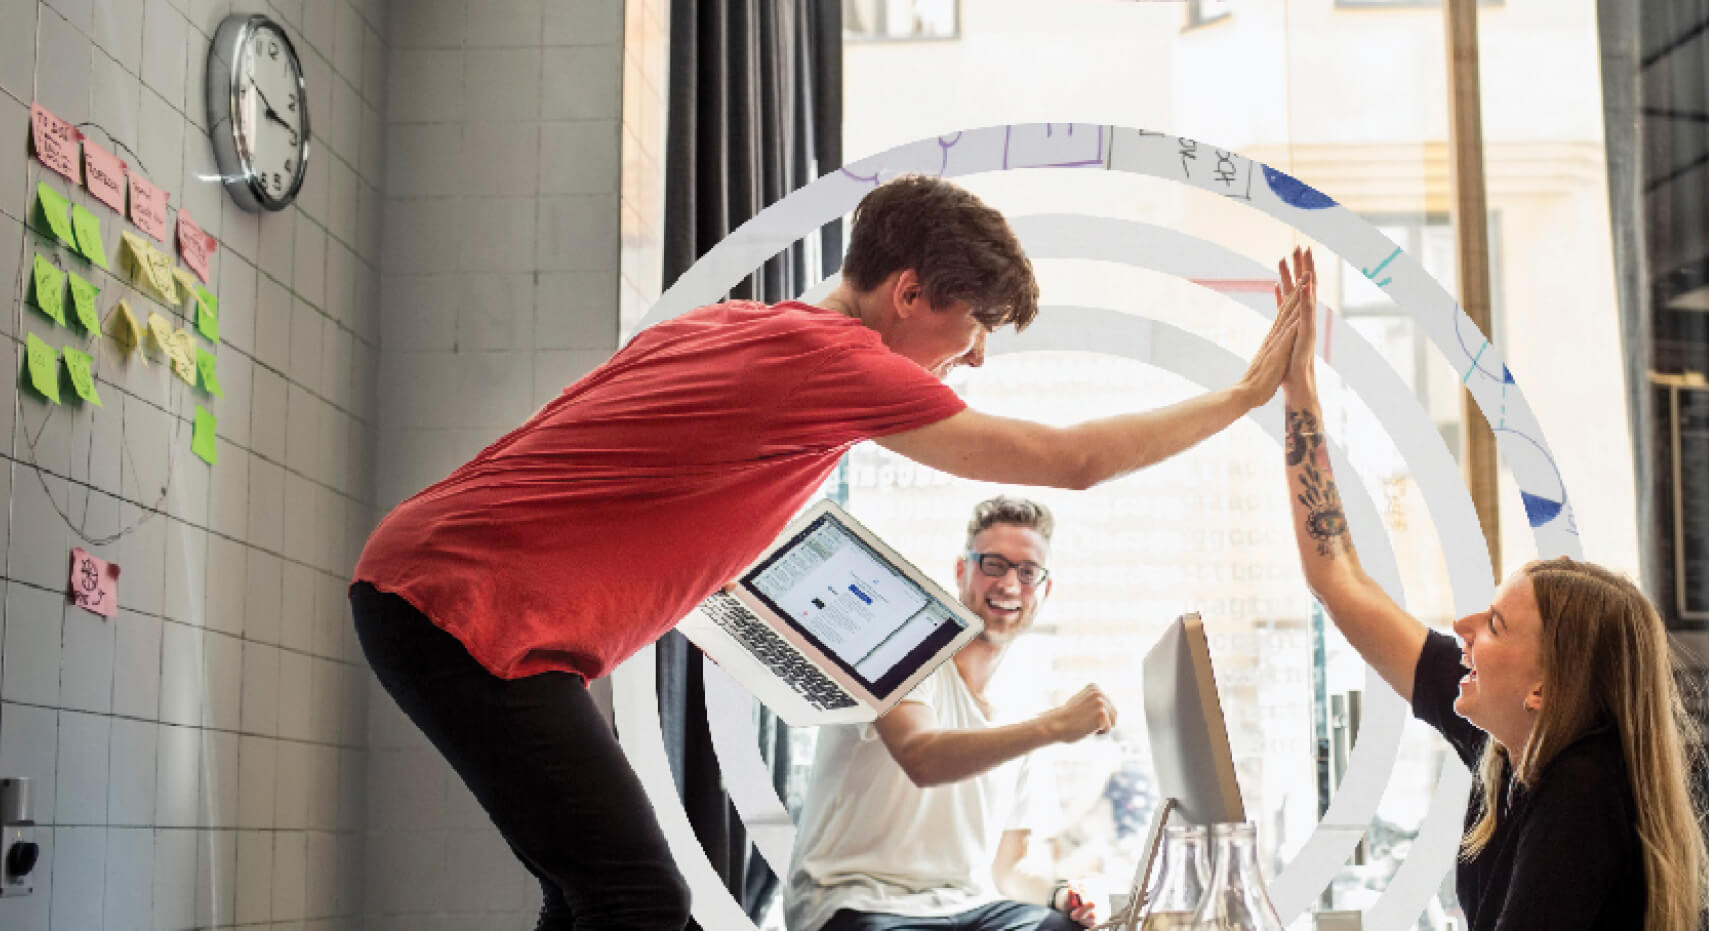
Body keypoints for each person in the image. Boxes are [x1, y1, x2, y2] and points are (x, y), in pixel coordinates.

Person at [349, 175, 1310, 930]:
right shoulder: (838, 364)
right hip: (462, 606)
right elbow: (1077, 459)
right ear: (908, 294)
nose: (974, 357)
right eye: (972, 327)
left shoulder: (750, 329)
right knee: (638, 899)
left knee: (595, 895)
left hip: (440, 593)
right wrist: (1242, 395)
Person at [1267, 249, 1709, 931]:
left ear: (1545, 687)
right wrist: (1299, 392)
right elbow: (1339, 581)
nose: (1463, 622)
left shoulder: (1582, 788)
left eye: (1497, 625)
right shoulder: (1514, 751)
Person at [788, 496, 1109, 931]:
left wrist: (1062, 894)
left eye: (1028, 572)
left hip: (967, 906)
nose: (1010, 586)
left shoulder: (1023, 703)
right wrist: (1053, 726)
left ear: (1044, 590)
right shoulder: (901, 649)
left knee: (1067, 928)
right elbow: (922, 756)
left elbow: (1008, 870)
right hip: (858, 903)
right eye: (993, 564)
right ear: (962, 571)